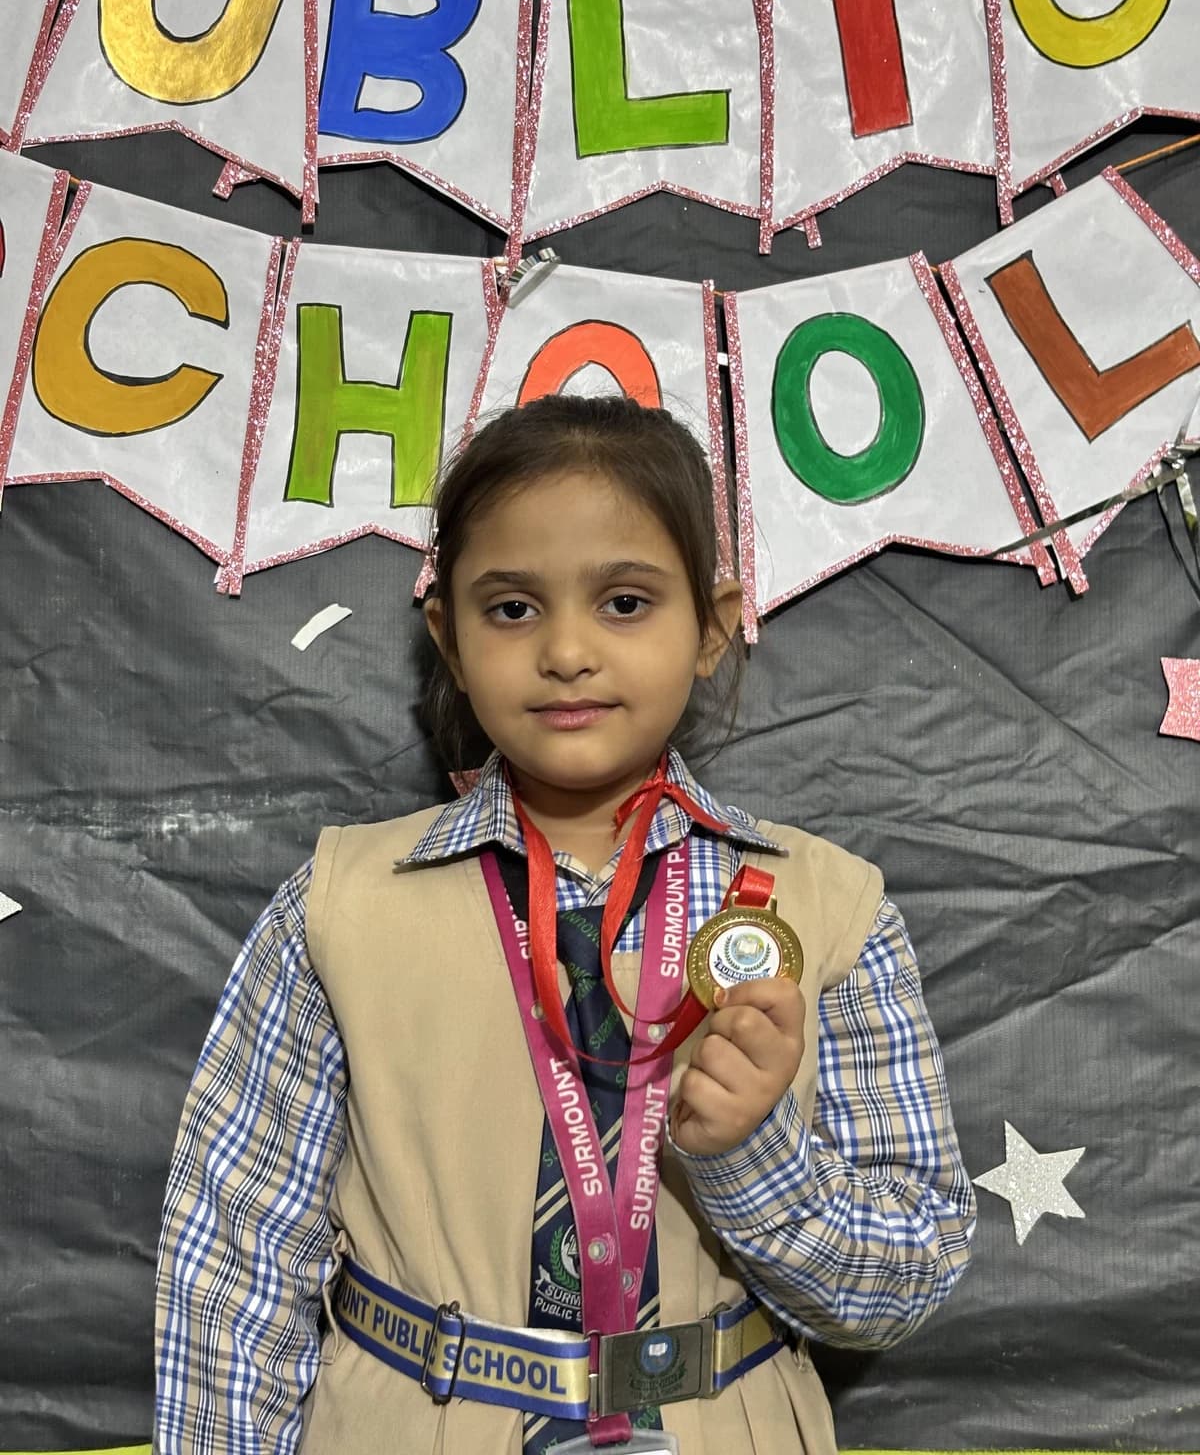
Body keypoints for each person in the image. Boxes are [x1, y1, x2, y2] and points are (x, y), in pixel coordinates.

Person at [155, 394, 974, 1455]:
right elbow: (234, 1271)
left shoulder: (833, 909)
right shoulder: (337, 908)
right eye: (512, 609)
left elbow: (904, 1283)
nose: (569, 651)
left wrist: (755, 1157)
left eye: (626, 602)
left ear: (711, 628)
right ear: (449, 638)